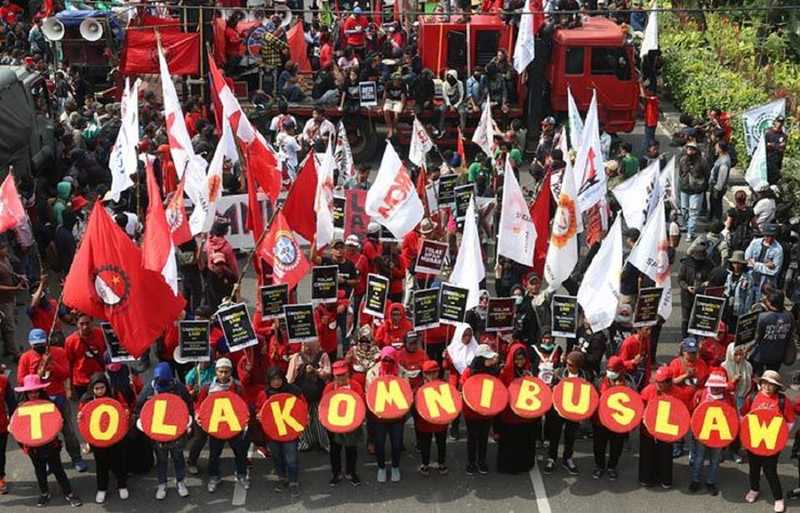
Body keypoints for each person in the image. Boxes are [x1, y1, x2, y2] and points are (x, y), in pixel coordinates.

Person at [17, 328, 87, 472]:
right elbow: (21, 380)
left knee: (68, 430)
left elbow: (65, 373)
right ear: (31, 344)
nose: (39, 347)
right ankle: (50, 461)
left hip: (58, 396)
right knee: (45, 434)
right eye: (36, 345)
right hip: (39, 400)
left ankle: (76, 457)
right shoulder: (25, 357)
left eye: (41, 344)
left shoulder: (59, 352)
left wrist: (52, 364)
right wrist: (38, 367)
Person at [15, 374, 82, 507]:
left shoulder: (50, 404)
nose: (33, 394)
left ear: (41, 390)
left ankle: (69, 493)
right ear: (26, 393)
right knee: (40, 471)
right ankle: (44, 493)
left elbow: (58, 422)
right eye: (30, 392)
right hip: (33, 447)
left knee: (58, 469)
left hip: (50, 444)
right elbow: (18, 428)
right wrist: (22, 444)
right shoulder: (21, 408)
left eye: (36, 391)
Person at [135, 362, 194, 500]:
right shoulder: (148, 390)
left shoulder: (179, 388)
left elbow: (188, 405)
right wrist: (142, 423)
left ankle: (180, 482)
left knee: (178, 458)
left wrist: (189, 424)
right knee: (161, 460)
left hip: (177, 433)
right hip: (158, 435)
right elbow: (139, 409)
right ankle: (162, 484)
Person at [194, 358, 250, 493]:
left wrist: (246, 416)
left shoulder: (238, 387)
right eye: (221, 371)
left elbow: (244, 404)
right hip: (216, 427)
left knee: (240, 453)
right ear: (216, 371)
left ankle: (241, 475)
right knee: (214, 454)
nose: (223, 374)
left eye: (226, 371)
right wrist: (197, 415)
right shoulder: (207, 387)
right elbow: (199, 405)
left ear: (231, 372)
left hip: (234, 425)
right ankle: (214, 477)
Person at [743, 371, 794, 513]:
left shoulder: (782, 401)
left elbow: (790, 421)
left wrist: (780, 436)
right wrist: (745, 436)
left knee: (770, 471)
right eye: (765, 382)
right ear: (761, 383)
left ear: (777, 387)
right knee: (754, 468)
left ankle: (778, 498)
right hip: (753, 440)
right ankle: (754, 489)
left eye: (771, 384)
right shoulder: (752, 397)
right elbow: (743, 416)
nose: (767, 386)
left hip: (772, 443)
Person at [79, 373, 129, 504]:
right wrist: (80, 417)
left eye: (102, 387)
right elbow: (83, 420)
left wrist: (125, 411)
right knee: (101, 465)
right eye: (97, 388)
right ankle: (102, 489)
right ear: (92, 389)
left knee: (119, 462)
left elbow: (124, 407)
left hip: (115, 437)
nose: (100, 391)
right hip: (97, 440)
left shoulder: (114, 394)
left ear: (106, 386)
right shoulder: (86, 399)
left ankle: (122, 485)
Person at [543, 351, 592, 475]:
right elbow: (550, 387)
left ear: (578, 366)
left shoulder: (585, 376)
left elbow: (590, 393)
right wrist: (553, 388)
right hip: (557, 410)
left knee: (570, 436)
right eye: (567, 363)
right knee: (555, 435)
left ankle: (567, 459)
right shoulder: (559, 372)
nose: (567, 366)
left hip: (574, 411)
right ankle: (551, 458)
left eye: (570, 364)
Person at [257, 367, 302, 496]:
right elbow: (259, 409)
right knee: (277, 456)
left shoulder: (293, 390)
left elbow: (302, 406)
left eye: (278, 379)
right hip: (272, 432)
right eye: (273, 379)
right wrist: (259, 415)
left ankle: (293, 482)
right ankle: (282, 478)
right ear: (269, 380)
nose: (276, 382)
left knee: (291, 458)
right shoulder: (264, 394)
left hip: (290, 431)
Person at [689, 371, 733, 495]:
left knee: (715, 459)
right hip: (702, 432)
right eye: (713, 385)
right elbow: (694, 412)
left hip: (719, 434)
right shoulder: (700, 394)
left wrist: (728, 438)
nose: (715, 388)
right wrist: (694, 431)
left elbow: (732, 416)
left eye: (718, 386)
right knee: (699, 457)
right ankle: (695, 480)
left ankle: (710, 482)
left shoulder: (729, 398)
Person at [366, 346, 406, 482]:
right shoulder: (372, 373)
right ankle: (381, 468)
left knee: (396, 444)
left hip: (397, 416)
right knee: (379, 444)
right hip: (379, 417)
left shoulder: (402, 373)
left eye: (391, 361)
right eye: (385, 360)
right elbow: (370, 394)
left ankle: (395, 467)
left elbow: (406, 393)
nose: (387, 363)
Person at [496, 343, 537, 474]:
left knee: (523, 442)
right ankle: (508, 466)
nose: (520, 362)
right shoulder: (505, 372)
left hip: (525, 415)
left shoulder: (529, 371)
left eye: (522, 359)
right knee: (509, 442)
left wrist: (530, 378)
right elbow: (501, 391)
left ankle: (524, 465)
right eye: (517, 359)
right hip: (510, 415)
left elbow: (535, 390)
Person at [460, 344, 500, 475]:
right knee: (472, 437)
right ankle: (471, 462)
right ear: (480, 359)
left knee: (483, 437)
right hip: (471, 411)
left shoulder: (493, 371)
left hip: (486, 411)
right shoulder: (468, 372)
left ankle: (482, 461)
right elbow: (464, 389)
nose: (489, 360)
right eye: (486, 358)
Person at [324, 360, 364, 486]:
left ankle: (351, 472)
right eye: (338, 375)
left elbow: (361, 402)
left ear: (348, 373)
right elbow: (324, 405)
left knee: (351, 448)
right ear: (334, 375)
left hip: (352, 422)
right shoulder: (329, 387)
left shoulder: (356, 386)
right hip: (334, 423)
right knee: (335, 449)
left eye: (343, 374)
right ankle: (336, 473)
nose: (340, 378)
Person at [592, 356, 631, 480]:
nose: (610, 372)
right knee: (599, 446)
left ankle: (612, 467)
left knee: (616, 446)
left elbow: (633, 403)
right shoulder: (599, 382)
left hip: (618, 422)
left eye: (613, 370)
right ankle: (599, 466)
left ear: (620, 370)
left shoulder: (628, 384)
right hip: (600, 421)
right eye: (609, 369)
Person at [639, 366, 678, 489]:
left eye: (662, 382)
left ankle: (665, 479)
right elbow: (639, 407)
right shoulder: (647, 390)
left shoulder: (678, 393)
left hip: (667, 429)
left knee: (665, 455)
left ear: (669, 381)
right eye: (657, 381)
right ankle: (647, 478)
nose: (658, 384)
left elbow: (682, 412)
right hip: (648, 429)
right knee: (647, 454)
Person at [414, 360, 449, 476]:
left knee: (441, 443)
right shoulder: (419, 386)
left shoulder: (443, 385)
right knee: (425, 444)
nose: (432, 375)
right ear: (424, 374)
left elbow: (449, 403)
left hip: (441, 421)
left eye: (434, 372)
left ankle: (442, 463)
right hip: (424, 422)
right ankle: (425, 464)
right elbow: (415, 405)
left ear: (438, 372)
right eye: (429, 373)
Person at [750, 291, 795, 375]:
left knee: (757, 376)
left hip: (760, 355)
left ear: (770, 303)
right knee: (771, 376)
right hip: (778, 356)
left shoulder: (762, 317)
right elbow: (790, 334)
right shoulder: (790, 316)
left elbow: (756, 338)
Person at [678, 238, 715, 336]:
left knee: (698, 319)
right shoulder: (686, 263)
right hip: (687, 296)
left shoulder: (709, 264)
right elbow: (680, 279)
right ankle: (685, 338)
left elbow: (712, 278)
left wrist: (707, 283)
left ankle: (696, 339)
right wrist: (687, 287)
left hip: (701, 296)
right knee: (685, 319)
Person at [64, 314, 105, 399]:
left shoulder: (101, 334)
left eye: (87, 323)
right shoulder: (70, 341)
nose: (85, 327)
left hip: (99, 379)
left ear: (92, 322)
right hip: (81, 382)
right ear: (77, 324)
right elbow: (68, 364)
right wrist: (69, 388)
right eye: (81, 324)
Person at [744, 224, 784, 304]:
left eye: (772, 236)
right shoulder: (755, 243)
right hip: (750, 279)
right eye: (768, 236)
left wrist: (755, 265)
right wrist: (765, 265)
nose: (770, 238)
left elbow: (774, 271)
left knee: (761, 304)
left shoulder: (778, 249)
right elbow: (747, 259)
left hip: (765, 285)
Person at [678, 142, 709, 241]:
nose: (689, 151)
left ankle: (690, 233)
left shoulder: (702, 161)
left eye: (692, 149)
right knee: (684, 210)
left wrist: (703, 186)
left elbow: (707, 174)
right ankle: (686, 226)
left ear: (696, 150)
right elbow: (680, 173)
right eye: (688, 149)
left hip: (697, 191)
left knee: (694, 212)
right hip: (684, 189)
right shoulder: (682, 160)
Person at [0, 360, 16, 495]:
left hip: (1, 426)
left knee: (0, 454)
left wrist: (14, 421)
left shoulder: (3, 381)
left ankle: (0, 477)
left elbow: (11, 404)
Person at [708, 141, 731, 223]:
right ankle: (711, 218)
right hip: (716, 185)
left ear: (720, 149)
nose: (715, 148)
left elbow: (722, 176)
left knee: (717, 204)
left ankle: (717, 221)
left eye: (717, 147)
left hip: (718, 187)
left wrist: (717, 188)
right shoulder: (722, 157)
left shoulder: (724, 161)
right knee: (713, 202)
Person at [765, 116, 787, 184]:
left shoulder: (783, 135)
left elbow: (783, 147)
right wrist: (777, 145)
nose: (779, 124)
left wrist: (772, 145)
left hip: (778, 159)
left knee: (776, 178)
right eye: (778, 122)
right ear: (775, 122)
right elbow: (765, 146)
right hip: (769, 159)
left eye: (781, 122)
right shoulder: (768, 133)